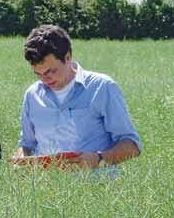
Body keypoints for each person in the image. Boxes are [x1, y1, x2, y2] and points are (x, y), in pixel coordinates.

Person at [17, 25, 141, 171]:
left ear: (67, 57)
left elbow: (132, 145)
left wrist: (99, 159)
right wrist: (21, 162)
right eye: (38, 74)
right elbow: (26, 145)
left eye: (51, 71)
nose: (45, 79)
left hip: (96, 188)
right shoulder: (32, 95)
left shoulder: (101, 87)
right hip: (45, 191)